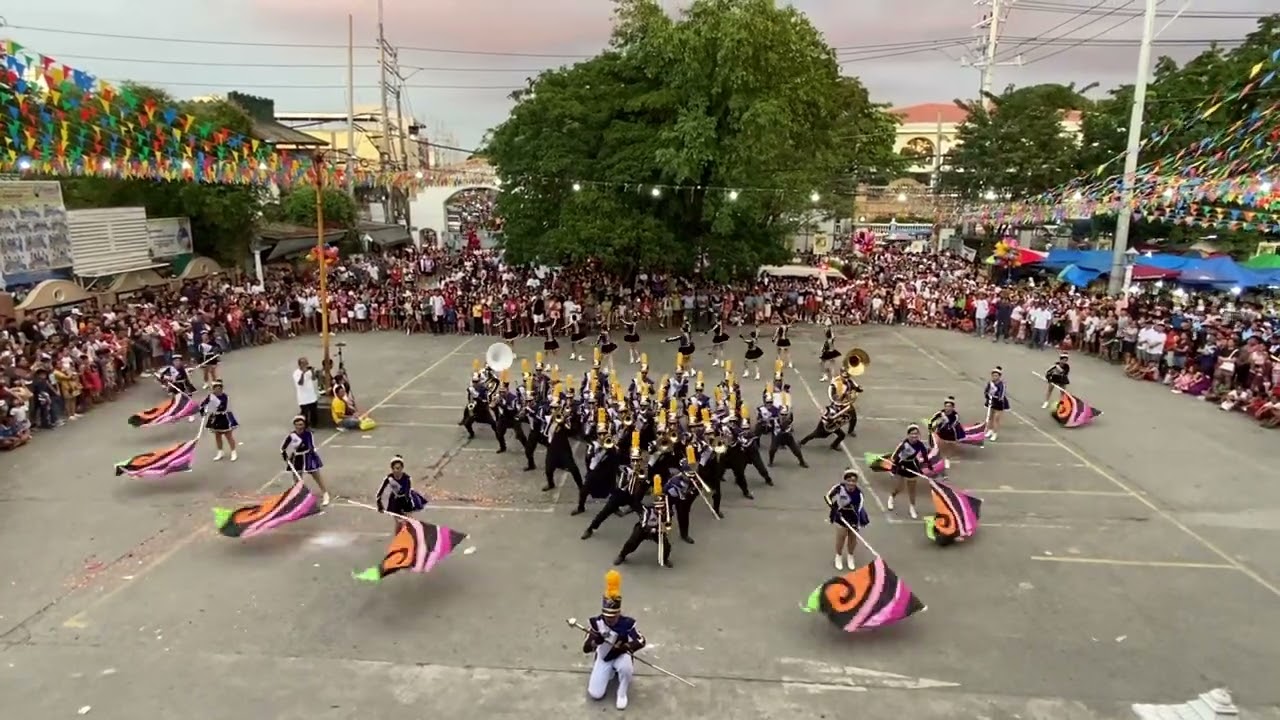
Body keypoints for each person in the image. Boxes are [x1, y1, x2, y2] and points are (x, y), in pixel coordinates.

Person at [584, 569, 645, 710]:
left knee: (626, 668)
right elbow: (586, 648)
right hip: (604, 656)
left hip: (621, 655)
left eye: (613, 617)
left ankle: (622, 693)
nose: (610, 620)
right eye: (607, 617)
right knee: (595, 694)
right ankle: (609, 672)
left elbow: (641, 641)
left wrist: (627, 647)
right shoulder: (596, 623)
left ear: (618, 613)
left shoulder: (628, 623)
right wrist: (595, 641)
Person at [614, 477, 674, 568]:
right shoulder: (646, 509)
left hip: (657, 531)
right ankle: (622, 555)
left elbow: (668, 522)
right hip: (643, 529)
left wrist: (664, 527)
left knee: (666, 546)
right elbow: (636, 503)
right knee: (631, 543)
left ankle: (664, 559)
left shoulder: (667, 511)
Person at [825, 468, 870, 570]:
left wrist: (857, 523)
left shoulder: (859, 494)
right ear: (845, 480)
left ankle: (850, 556)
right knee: (841, 537)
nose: (851, 483)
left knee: (852, 538)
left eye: (853, 481)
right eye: (848, 480)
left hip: (853, 517)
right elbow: (827, 497)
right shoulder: (838, 488)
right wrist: (833, 508)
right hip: (840, 515)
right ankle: (838, 556)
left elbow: (859, 509)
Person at [281, 414, 331, 505]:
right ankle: (298, 497)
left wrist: (308, 450)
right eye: (298, 425)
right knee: (297, 479)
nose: (300, 427)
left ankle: (325, 493)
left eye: (301, 424)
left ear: (304, 425)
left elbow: (311, 445)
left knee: (317, 476)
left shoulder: (308, 434)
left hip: (308, 456)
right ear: (295, 425)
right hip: (297, 457)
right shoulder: (292, 435)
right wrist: (284, 453)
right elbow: (283, 447)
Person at [887, 424, 929, 519]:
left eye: (916, 433)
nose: (914, 436)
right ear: (908, 434)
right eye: (912, 433)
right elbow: (894, 457)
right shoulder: (903, 445)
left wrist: (928, 467)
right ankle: (891, 497)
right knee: (899, 487)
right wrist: (899, 465)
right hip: (900, 466)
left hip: (912, 466)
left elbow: (925, 456)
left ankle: (912, 507)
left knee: (912, 490)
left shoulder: (920, 444)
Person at [199, 379, 239, 462]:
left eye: (217, 388)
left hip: (225, 417)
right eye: (214, 388)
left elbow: (221, 407)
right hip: (215, 417)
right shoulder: (211, 396)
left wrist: (210, 406)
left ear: (221, 389)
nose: (215, 390)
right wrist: (202, 409)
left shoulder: (225, 397)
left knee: (228, 436)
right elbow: (204, 404)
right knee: (217, 435)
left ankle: (233, 452)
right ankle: (220, 452)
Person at [983, 366, 1009, 442]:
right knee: (990, 416)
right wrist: (987, 395)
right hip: (991, 401)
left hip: (999, 402)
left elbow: (1002, 393)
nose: (994, 377)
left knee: (996, 418)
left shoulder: (1002, 384)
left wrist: (998, 397)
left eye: (996, 376)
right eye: (993, 375)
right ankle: (990, 430)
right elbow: (986, 391)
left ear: (999, 376)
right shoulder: (990, 383)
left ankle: (995, 433)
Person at [293, 358, 320, 428]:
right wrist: (303, 374)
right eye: (304, 363)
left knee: (314, 412)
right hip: (303, 397)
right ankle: (305, 426)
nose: (306, 365)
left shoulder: (309, 371)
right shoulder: (296, 373)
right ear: (300, 365)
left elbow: (313, 379)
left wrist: (313, 371)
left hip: (311, 396)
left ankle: (314, 425)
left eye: (307, 363)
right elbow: (300, 383)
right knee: (305, 413)